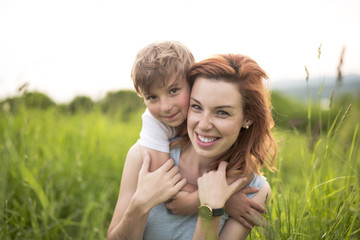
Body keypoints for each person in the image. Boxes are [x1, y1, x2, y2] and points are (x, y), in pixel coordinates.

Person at [107, 53, 277, 239]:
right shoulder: (142, 158)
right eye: (196, 107)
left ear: (248, 117)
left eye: (222, 112)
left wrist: (212, 209)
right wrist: (140, 205)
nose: (203, 125)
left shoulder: (254, 190)